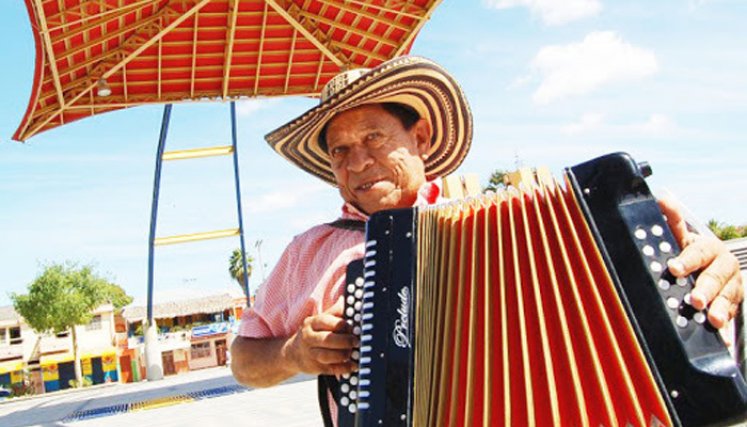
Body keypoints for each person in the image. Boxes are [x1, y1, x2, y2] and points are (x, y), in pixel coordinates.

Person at [230, 56, 743, 419]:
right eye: (339, 151)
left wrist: (709, 270)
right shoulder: (310, 251)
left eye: (372, 138)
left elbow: (698, 282)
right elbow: (243, 357)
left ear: (421, 138)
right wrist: (293, 353)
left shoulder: (513, 222)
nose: (357, 162)